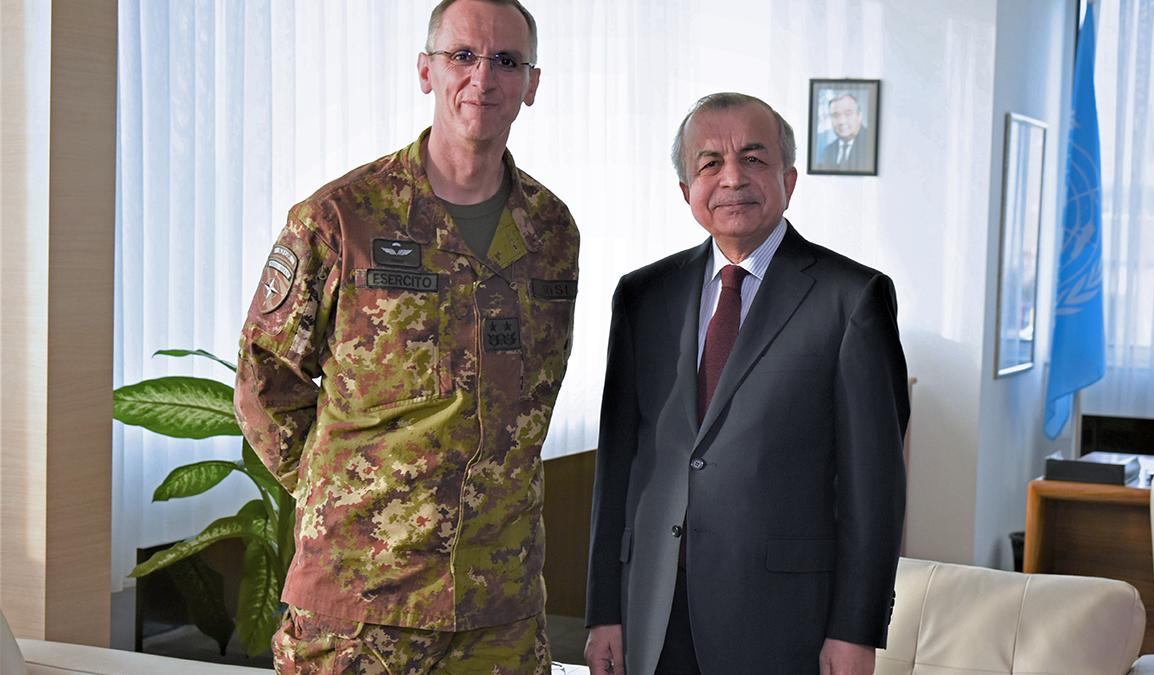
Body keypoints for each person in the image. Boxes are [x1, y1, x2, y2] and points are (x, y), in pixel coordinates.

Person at [233, 1, 578, 672]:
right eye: (463, 56)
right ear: (426, 71)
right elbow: (262, 381)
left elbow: (533, 394)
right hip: (360, 604)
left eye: (507, 61)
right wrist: (341, 493)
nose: (483, 78)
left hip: (498, 608)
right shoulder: (341, 218)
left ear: (531, 84)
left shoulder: (551, 231)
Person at [583, 92, 907, 675]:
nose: (732, 178)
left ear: (788, 180)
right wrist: (604, 609)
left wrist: (855, 630)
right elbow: (618, 466)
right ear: (687, 190)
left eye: (753, 159)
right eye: (710, 163)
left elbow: (875, 486)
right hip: (653, 613)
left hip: (785, 620)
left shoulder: (853, 298)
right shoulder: (642, 296)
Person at [819, 93, 873, 171]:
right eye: (835, 115)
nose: (841, 121)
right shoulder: (828, 151)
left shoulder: (871, 144)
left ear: (859, 116)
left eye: (848, 114)